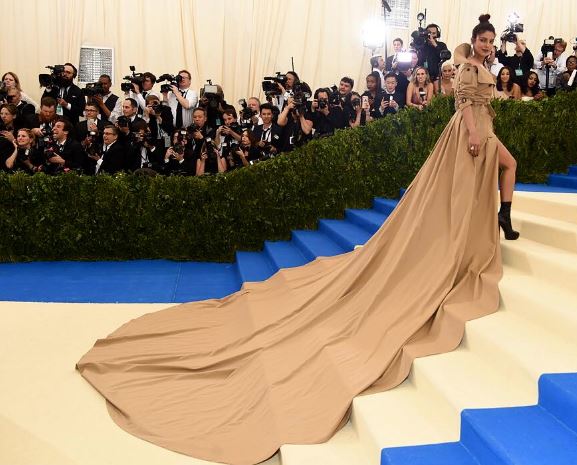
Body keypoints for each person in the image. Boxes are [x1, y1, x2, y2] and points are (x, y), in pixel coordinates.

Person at [77, 14, 515, 465]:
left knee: (497, 173)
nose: (484, 47)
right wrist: (473, 129)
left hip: (481, 132)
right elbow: (463, 104)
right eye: (481, 40)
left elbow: (471, 87)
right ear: (475, 41)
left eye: (489, 41)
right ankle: (476, 229)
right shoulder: (467, 67)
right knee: (463, 189)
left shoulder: (476, 63)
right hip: (471, 137)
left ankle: (495, 220)